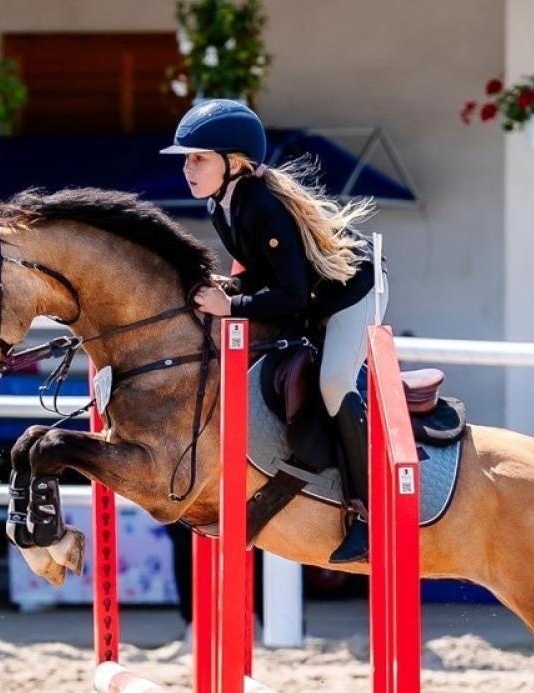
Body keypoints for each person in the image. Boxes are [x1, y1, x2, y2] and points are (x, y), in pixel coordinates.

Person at [162, 99, 382, 565]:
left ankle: (369, 512)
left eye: (198, 157)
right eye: (186, 158)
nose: (188, 167)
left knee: (333, 381)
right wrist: (231, 289)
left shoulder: (263, 205)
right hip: (307, 294)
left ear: (234, 161)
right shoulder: (222, 206)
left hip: (349, 295)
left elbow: (293, 296)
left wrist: (232, 304)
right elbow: (265, 275)